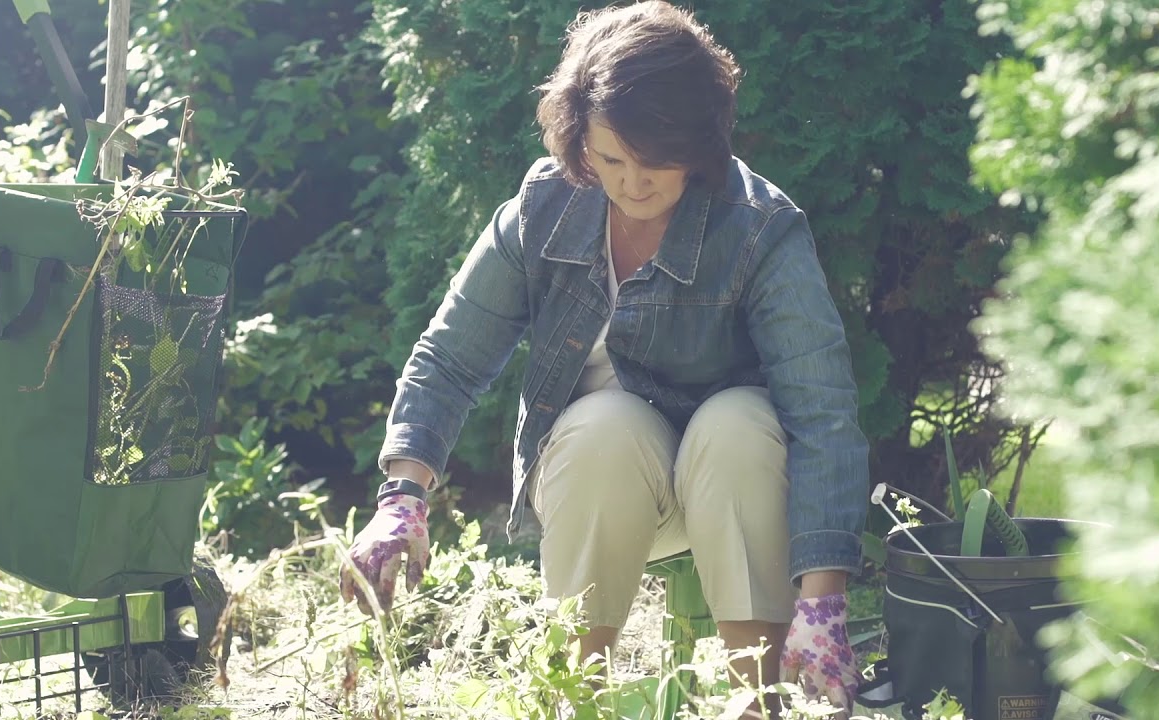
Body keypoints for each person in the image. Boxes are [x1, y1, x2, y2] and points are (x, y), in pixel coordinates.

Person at [339, 1, 870, 716]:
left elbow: (823, 413)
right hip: (595, 481)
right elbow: (451, 357)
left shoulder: (760, 228)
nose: (633, 182)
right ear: (579, 140)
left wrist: (825, 601)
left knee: (739, 422)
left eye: (657, 161)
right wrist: (402, 497)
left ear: (700, 142)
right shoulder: (545, 205)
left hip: (737, 488)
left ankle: (760, 701)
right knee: (606, 426)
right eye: (611, 157)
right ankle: (572, 699)